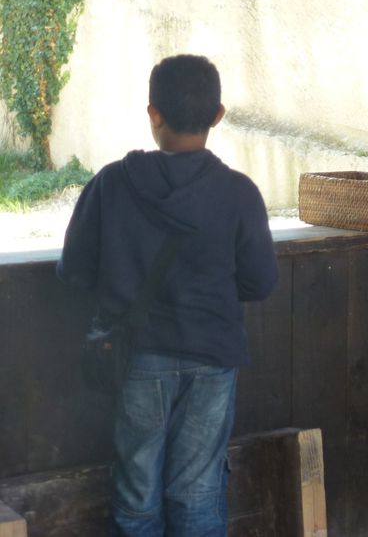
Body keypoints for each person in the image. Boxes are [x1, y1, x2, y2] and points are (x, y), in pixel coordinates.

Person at [58, 54, 279, 537]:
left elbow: (73, 270)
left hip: (137, 358)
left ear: (153, 113)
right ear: (218, 115)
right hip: (212, 356)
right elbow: (259, 283)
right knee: (198, 490)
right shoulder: (239, 193)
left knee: (137, 492)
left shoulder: (112, 183)